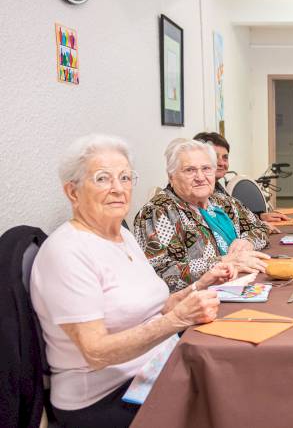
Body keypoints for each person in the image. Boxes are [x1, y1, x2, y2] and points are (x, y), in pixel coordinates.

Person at [30, 134, 234, 428]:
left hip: (154, 364)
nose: (118, 189)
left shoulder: (120, 234)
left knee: (237, 372)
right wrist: (177, 320)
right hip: (104, 396)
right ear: (72, 192)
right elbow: (96, 352)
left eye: (125, 177)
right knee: (225, 404)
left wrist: (199, 286)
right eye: (102, 179)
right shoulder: (67, 251)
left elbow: (153, 306)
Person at [134, 139, 270, 293]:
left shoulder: (223, 201)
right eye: (190, 170)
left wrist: (248, 241)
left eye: (206, 168)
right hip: (193, 302)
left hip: (240, 287)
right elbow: (161, 273)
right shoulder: (158, 212)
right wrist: (222, 262)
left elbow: (260, 227)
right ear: (171, 176)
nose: (200, 177)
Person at [192, 132, 289, 223]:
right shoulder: (196, 194)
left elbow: (235, 217)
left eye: (225, 157)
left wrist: (260, 217)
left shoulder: (218, 189)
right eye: (215, 157)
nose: (221, 163)